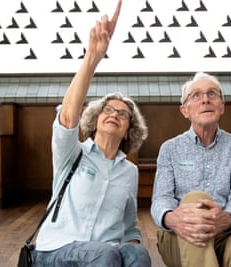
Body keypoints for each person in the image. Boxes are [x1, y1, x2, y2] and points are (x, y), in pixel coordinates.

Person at [32, 1, 151, 266]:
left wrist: (130, 252)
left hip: (104, 253)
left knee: (138, 254)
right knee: (104, 253)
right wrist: (92, 57)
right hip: (56, 251)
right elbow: (67, 117)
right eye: (108, 110)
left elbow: (130, 227)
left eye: (122, 114)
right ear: (95, 120)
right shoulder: (72, 153)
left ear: (129, 130)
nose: (114, 115)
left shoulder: (129, 172)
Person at [150, 72, 231, 267]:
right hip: (179, 233)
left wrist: (227, 219)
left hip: (224, 230)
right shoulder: (170, 149)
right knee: (195, 201)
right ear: (185, 110)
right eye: (196, 95)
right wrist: (173, 219)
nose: (205, 99)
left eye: (212, 94)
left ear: (222, 106)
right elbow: (161, 199)